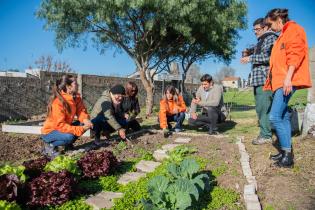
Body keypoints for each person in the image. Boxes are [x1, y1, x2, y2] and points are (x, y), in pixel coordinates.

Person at [264, 8, 311, 167]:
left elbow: (295, 54)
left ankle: (288, 159)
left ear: (278, 19)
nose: (270, 28)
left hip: (286, 81)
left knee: (274, 117)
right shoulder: (282, 35)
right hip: (280, 81)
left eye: (270, 24)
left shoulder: (293, 30)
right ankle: (285, 152)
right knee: (282, 116)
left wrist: (288, 79)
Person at [240, 18, 278, 145]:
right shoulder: (261, 40)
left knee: (263, 108)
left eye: (258, 29)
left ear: (266, 27)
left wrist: (251, 57)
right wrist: (250, 52)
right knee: (262, 108)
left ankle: (266, 135)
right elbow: (262, 52)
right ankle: (267, 132)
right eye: (254, 30)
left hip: (264, 79)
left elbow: (270, 57)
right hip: (259, 80)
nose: (255, 32)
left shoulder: (270, 38)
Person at [41, 75, 93, 158]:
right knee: (69, 136)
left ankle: (67, 145)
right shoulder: (58, 102)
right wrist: (81, 129)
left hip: (62, 128)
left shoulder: (76, 97)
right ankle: (48, 145)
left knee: (82, 124)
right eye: (76, 83)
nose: (78, 85)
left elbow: (81, 111)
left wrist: (86, 120)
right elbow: (60, 125)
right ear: (68, 86)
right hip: (51, 131)